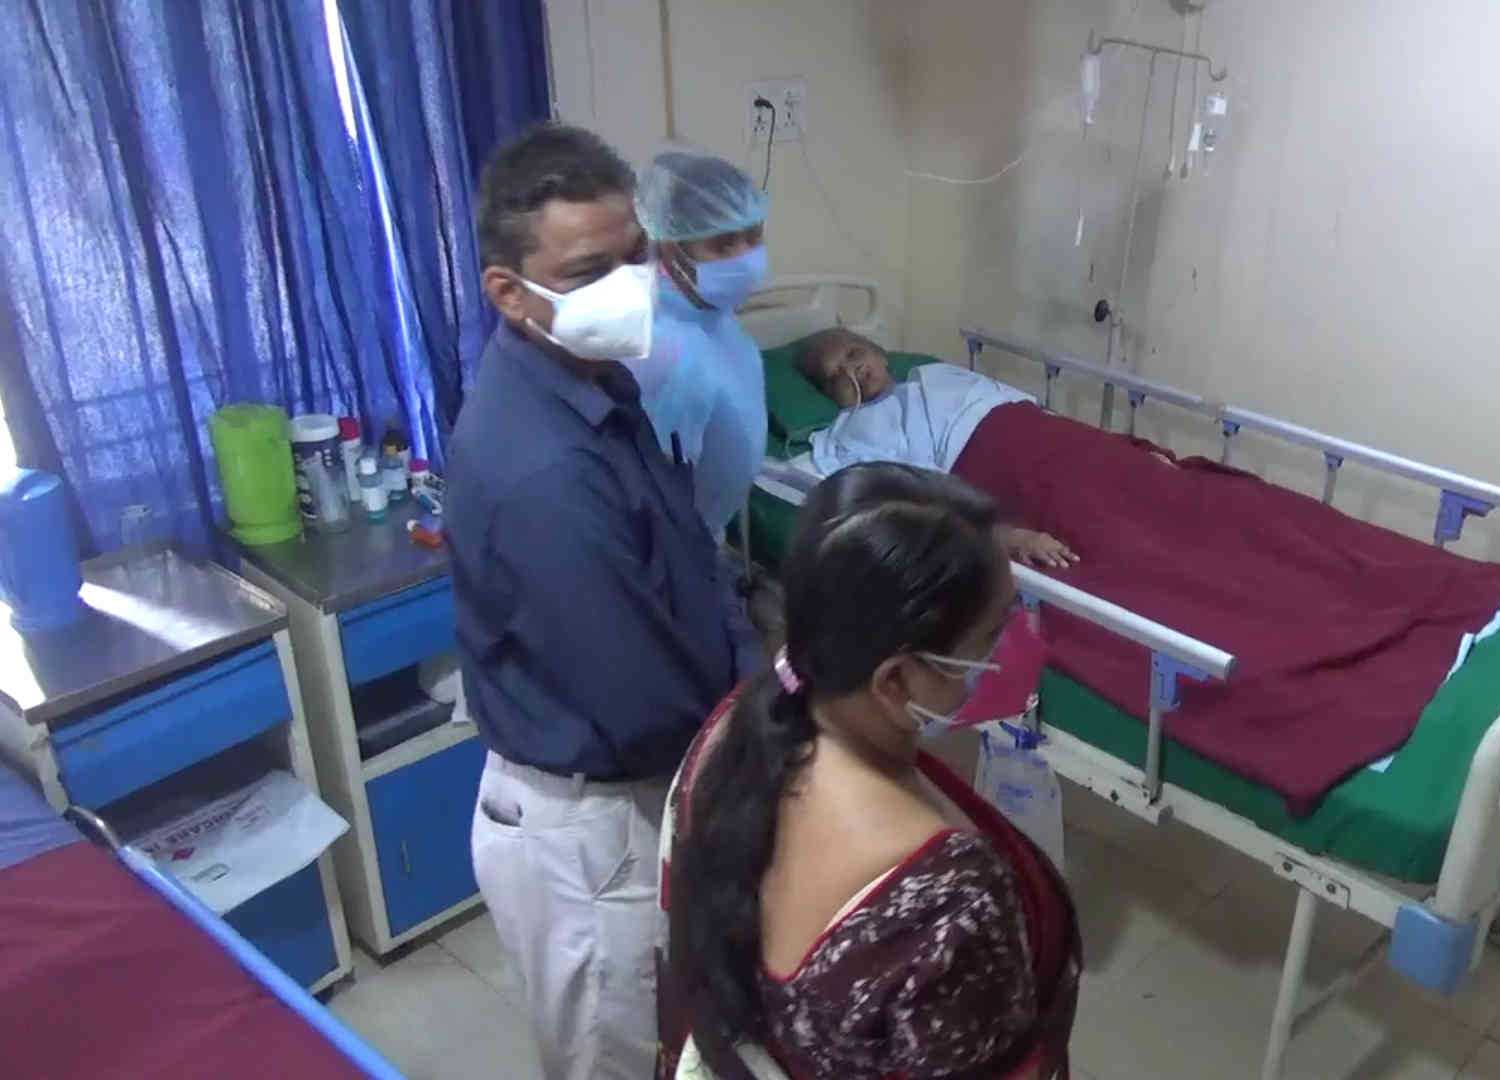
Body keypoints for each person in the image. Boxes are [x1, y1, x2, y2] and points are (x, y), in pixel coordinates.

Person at [447, 122, 741, 1080]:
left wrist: (750, 665)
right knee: (612, 1061)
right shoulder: (542, 469)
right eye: (587, 272)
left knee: (668, 1037)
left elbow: (689, 552)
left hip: (632, 790)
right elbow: (641, 696)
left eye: (634, 256)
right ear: (509, 292)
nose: (629, 287)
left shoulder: (595, 382)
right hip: (591, 830)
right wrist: (767, 740)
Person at [657, 463, 1082, 1080]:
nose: (1014, 648)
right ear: (896, 680)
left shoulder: (735, 731)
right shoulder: (946, 900)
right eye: (993, 635)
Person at [796, 327, 1079, 569]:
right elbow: (915, 496)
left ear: (880, 355)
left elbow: (1025, 407)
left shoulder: (936, 374)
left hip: (1052, 436)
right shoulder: (857, 430)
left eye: (854, 354)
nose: (851, 370)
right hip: (999, 465)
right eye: (836, 376)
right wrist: (1004, 537)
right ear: (830, 396)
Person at [634, 148, 773, 539]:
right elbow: (657, 505)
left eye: (754, 237)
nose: (746, 259)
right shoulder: (664, 352)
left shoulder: (711, 315)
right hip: (677, 554)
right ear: (669, 246)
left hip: (708, 537)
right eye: (723, 244)